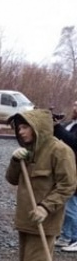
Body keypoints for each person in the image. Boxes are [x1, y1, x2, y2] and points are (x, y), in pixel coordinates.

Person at [2, 110, 76, 261]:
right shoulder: (28, 151)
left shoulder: (60, 151)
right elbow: (12, 179)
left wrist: (46, 207)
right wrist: (15, 161)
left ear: (38, 128)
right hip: (26, 219)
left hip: (45, 220)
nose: (20, 131)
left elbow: (68, 186)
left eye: (25, 127)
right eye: (19, 127)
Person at [53, 101, 77, 251]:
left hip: (75, 169)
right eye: (74, 105)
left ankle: (73, 238)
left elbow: (74, 141)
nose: (74, 108)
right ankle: (66, 236)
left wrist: (57, 127)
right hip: (66, 167)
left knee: (71, 205)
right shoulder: (71, 124)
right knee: (66, 204)